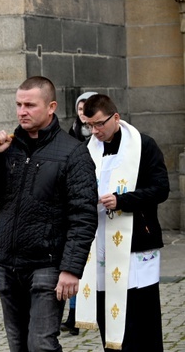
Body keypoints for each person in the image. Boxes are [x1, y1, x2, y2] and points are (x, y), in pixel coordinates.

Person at [0, 76, 98, 352]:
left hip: (48, 265)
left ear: (51, 107)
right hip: (8, 264)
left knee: (41, 344)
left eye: (30, 105)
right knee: (18, 345)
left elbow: (84, 215)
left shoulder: (73, 152)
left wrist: (71, 269)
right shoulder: (8, 147)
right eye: (18, 104)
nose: (21, 111)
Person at [75, 95, 169, 351]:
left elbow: (160, 189)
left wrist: (123, 200)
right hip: (101, 245)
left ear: (115, 117)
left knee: (141, 317)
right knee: (110, 320)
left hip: (136, 243)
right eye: (89, 126)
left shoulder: (143, 145)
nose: (95, 132)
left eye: (99, 124)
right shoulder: (87, 150)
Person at [61, 90, 96, 336]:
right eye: (80, 109)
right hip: (75, 205)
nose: (83, 114)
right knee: (76, 262)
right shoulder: (70, 135)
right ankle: (74, 314)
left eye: (87, 109)